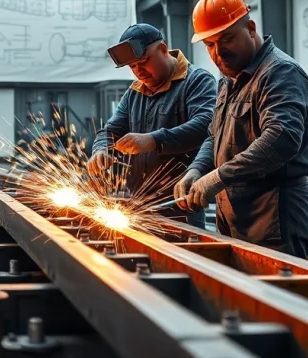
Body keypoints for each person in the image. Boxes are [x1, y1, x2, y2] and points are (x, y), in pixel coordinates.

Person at [175, 0, 308, 257]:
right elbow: (213, 135)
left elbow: (281, 139)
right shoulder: (230, 78)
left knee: (277, 295)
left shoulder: (279, 73)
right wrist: (197, 169)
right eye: (209, 45)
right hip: (234, 213)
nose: (218, 53)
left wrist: (218, 177)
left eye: (226, 39)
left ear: (250, 28)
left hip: (273, 214)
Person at [87, 23, 217, 229]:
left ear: (163, 50)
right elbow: (109, 131)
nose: (139, 72)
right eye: (132, 67)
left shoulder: (197, 81)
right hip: (138, 205)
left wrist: (155, 140)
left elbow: (206, 126)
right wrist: (100, 149)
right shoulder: (135, 92)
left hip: (180, 208)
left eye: (143, 62)